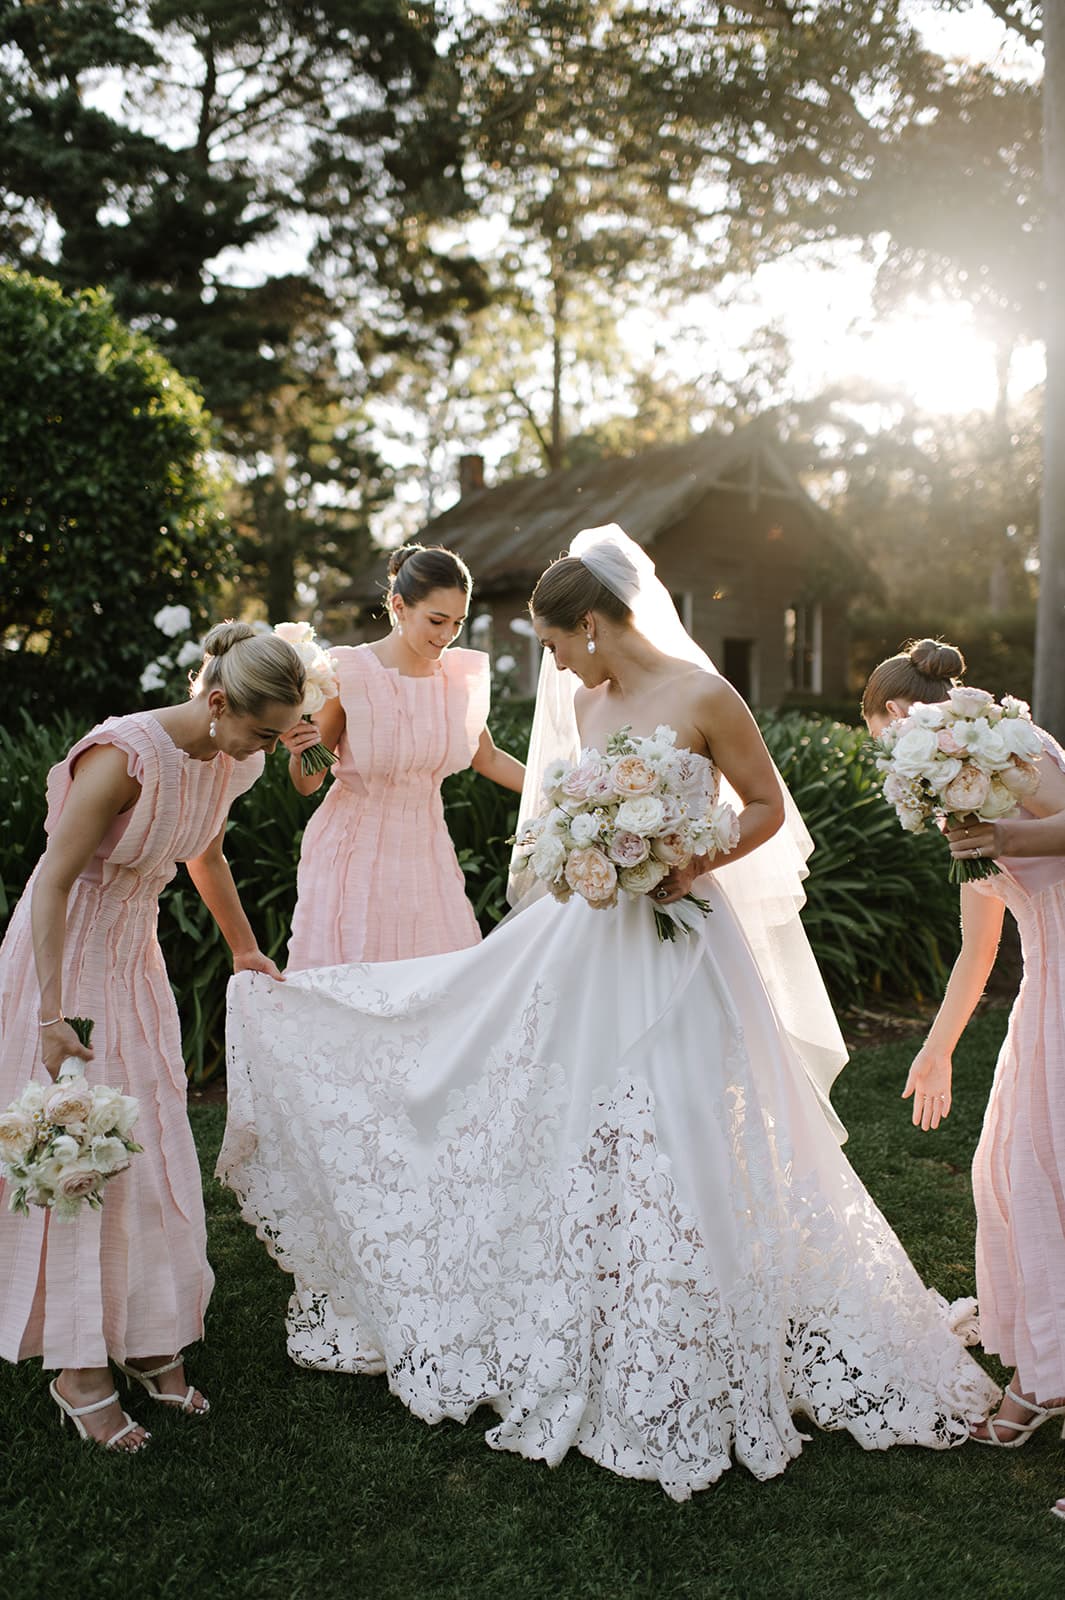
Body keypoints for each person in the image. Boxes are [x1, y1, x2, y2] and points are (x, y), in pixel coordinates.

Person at [220, 529, 996, 1500]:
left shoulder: (706, 695)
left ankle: (712, 1316)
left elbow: (764, 804)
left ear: (590, 623)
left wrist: (692, 855)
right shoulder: (590, 702)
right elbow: (570, 810)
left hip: (686, 932)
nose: (553, 666)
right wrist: (586, 852)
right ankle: (609, 1309)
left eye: (553, 643)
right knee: (578, 1108)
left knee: (692, 1112)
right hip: (596, 933)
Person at [0, 623, 306, 1452]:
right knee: (76, 1152)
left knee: (152, 1141)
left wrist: (244, 946)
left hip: (133, 957)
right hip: (61, 961)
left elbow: (205, 853)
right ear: (216, 703)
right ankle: (78, 1369)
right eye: (265, 732)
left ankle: (141, 1333)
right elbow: (54, 882)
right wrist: (52, 1015)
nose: (271, 751)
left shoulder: (228, 758)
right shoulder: (123, 757)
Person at [862, 639, 1065, 1511]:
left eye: (881, 738)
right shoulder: (958, 785)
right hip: (1047, 998)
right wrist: (936, 1046)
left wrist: (1006, 830)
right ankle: (1044, 1378)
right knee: (1013, 1181)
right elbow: (976, 946)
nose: (887, 757)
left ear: (905, 720)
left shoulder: (1013, 748)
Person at [280, 544, 524, 969]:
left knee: (440, 979)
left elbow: (490, 759)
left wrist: (564, 792)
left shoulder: (457, 679)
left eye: (457, 623)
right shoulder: (348, 672)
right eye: (437, 620)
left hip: (427, 853)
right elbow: (308, 784)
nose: (447, 635)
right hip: (353, 855)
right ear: (399, 606)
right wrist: (301, 750)